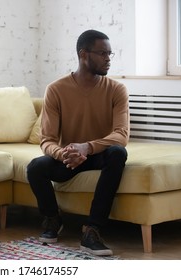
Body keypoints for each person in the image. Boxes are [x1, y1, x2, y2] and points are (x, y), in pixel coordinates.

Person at [26, 30, 129, 256]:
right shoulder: (56, 89)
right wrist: (63, 154)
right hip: (70, 159)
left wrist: (87, 147)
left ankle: (92, 229)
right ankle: (52, 218)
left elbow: (121, 134)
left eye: (110, 54)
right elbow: (47, 140)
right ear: (84, 54)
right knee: (35, 167)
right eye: (102, 53)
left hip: (99, 154)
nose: (108, 59)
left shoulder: (117, 90)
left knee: (118, 153)